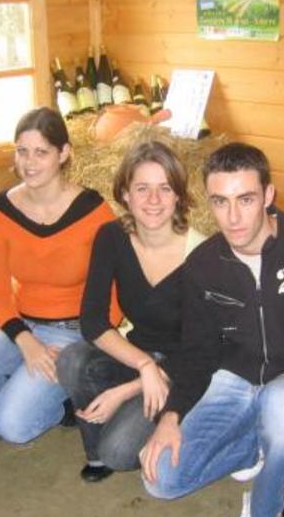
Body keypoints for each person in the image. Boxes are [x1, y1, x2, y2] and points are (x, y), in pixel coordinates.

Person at [140, 143, 284, 517]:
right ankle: (259, 445)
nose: (234, 217)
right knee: (161, 480)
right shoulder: (204, 265)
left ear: (268, 195)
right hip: (233, 380)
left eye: (246, 199)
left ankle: (261, 509)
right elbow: (197, 352)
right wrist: (171, 416)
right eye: (220, 202)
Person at [0, 107, 119, 444]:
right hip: (21, 323)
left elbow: (114, 292)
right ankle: (31, 395)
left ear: (63, 154)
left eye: (41, 152)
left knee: (12, 427)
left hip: (74, 334)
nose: (29, 162)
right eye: (22, 151)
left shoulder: (94, 212)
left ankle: (50, 396)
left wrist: (84, 349)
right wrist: (24, 340)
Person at [57, 141, 205, 483]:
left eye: (164, 188)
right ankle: (95, 449)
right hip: (139, 353)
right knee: (71, 359)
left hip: (182, 371)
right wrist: (143, 364)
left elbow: (201, 352)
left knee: (120, 453)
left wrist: (130, 387)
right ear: (125, 194)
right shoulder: (111, 237)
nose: (153, 200)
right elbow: (92, 320)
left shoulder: (202, 255)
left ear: (179, 196)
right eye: (142, 188)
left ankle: (177, 419)